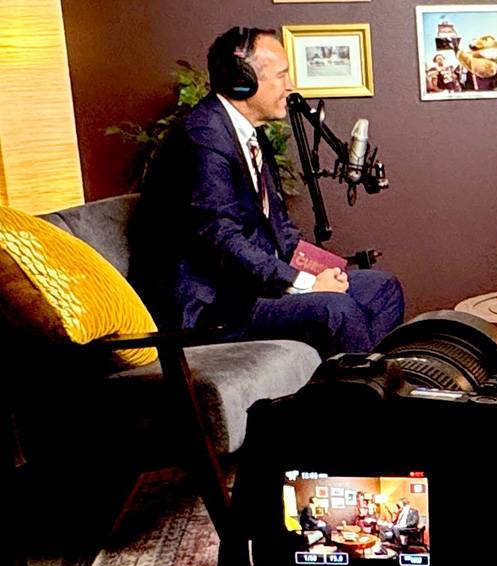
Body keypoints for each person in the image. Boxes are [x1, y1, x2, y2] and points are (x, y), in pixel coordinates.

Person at [132, 26, 405, 357]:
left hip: (250, 287)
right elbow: (222, 239)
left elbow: (278, 226)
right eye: (281, 75)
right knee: (337, 310)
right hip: (213, 305)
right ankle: (363, 401)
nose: (291, 86)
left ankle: (348, 390)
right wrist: (304, 284)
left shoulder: (250, 133)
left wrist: (320, 272)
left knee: (382, 288)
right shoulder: (202, 137)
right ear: (242, 81)